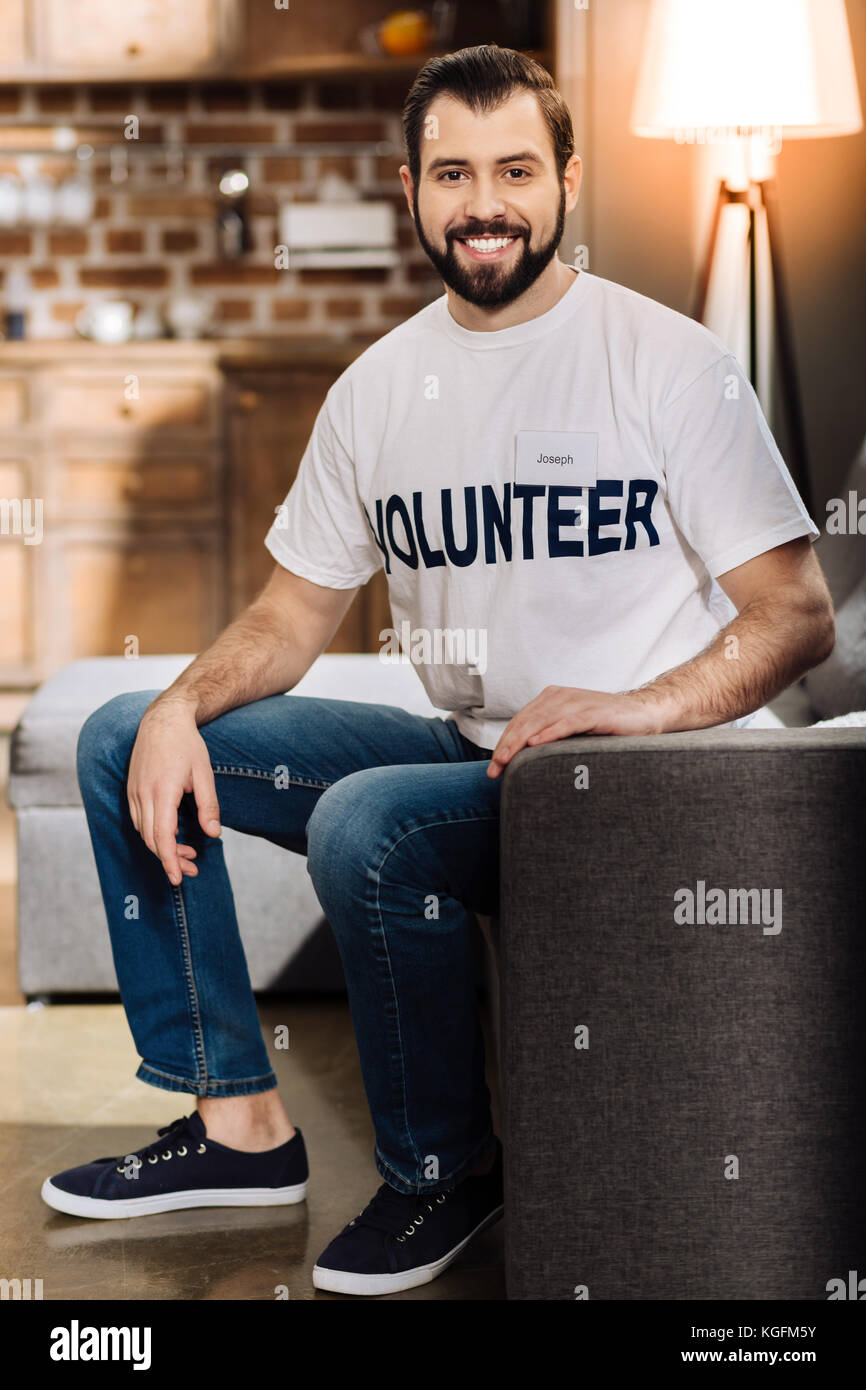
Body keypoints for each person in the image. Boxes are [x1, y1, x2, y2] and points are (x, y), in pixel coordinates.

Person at [41, 45, 834, 1297]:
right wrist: (186, 703)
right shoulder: (376, 393)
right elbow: (290, 616)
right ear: (409, 187)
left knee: (371, 821)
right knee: (122, 732)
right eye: (452, 172)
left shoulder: (665, 360)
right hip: (480, 757)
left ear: (565, 179)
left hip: (635, 781)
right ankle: (239, 1124)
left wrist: (630, 708)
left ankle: (442, 1176)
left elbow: (793, 614)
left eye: (515, 169)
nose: (484, 203)